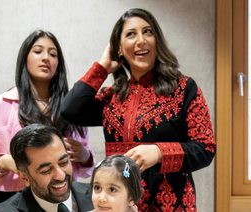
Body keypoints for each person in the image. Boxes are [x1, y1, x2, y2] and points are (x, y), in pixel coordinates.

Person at [61, 8, 216, 211]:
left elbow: (205, 148)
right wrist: (103, 65)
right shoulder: (112, 96)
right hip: (118, 205)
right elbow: (70, 109)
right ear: (119, 47)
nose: (141, 40)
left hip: (171, 205)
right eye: (131, 34)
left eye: (148, 32)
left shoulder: (184, 89)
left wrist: (159, 152)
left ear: (157, 41)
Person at [0, 30, 95, 206]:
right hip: (14, 199)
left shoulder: (71, 107)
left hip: (62, 195)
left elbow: (86, 170)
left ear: (58, 64)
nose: (46, 58)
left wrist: (85, 156)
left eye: (53, 54)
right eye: (38, 51)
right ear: (25, 59)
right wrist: (5, 161)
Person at [0, 124, 94, 212]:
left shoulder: (100, 195)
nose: (61, 176)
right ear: (25, 177)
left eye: (64, 162)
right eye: (46, 170)